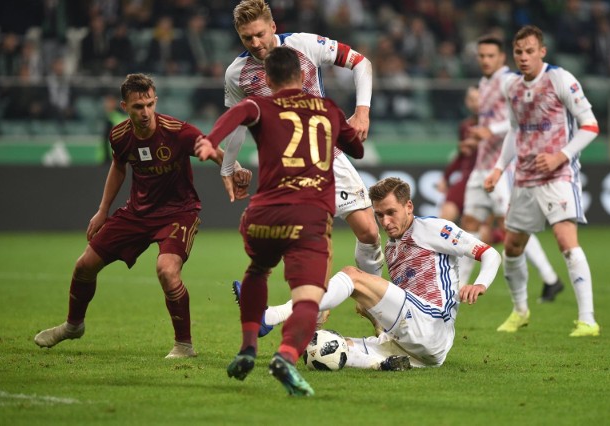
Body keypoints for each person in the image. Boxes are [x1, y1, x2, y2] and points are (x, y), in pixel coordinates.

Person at [33, 73, 251, 358]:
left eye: (149, 104)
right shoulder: (120, 135)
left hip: (178, 212)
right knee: (84, 265)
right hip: (137, 213)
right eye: (138, 106)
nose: (145, 112)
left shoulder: (177, 131)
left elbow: (212, 150)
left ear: (155, 100)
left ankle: (184, 345)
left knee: (167, 271)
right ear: (125, 106)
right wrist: (102, 211)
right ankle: (74, 326)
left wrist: (234, 169)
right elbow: (119, 167)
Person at [194, 46, 364, 396]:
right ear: (303, 77)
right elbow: (356, 148)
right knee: (307, 297)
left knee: (258, 270)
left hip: (264, 214)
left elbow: (237, 114)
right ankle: (285, 356)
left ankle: (247, 349)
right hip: (309, 216)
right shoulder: (328, 109)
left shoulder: (261, 104)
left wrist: (210, 142)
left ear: (268, 80)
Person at [240, 177, 501, 369]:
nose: (386, 222)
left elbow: (490, 254)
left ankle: (270, 316)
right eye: (379, 215)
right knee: (317, 345)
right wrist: (369, 311)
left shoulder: (434, 229)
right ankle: (383, 364)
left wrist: (480, 284)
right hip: (415, 346)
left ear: (408, 206)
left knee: (352, 276)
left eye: (391, 213)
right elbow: (385, 299)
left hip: (432, 324)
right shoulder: (391, 247)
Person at [221, 0, 384, 278]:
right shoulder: (237, 74)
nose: (256, 43)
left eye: (260, 34)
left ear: (273, 26)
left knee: (369, 231)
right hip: (287, 171)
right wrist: (228, 167)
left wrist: (362, 112)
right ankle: (312, 314)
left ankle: (374, 302)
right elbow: (238, 122)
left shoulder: (304, 45)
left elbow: (360, 62)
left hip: (327, 156)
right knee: (313, 246)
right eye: (247, 37)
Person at [484, 25, 601, 337]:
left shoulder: (560, 79)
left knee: (566, 242)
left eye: (529, 51)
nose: (523, 57)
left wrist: (561, 156)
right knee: (512, 247)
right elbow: (514, 130)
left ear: (542, 51)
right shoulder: (512, 88)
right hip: (524, 178)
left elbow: (590, 126)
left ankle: (587, 319)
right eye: (519, 52)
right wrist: (498, 169)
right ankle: (520, 311)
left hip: (558, 175)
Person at [457, 35, 564, 304]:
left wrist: (487, 130)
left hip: (501, 169)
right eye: (481, 56)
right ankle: (456, 289)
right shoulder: (484, 83)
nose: (485, 60)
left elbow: (519, 121)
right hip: (481, 165)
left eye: (490, 56)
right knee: (469, 224)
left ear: (502, 58)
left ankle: (551, 279)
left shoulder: (509, 81)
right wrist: (477, 138)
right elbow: (492, 123)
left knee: (513, 226)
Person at [437, 85, 480, 224]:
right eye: (471, 99)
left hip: (489, 180)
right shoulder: (465, 126)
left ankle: (497, 235)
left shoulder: (497, 126)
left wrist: (479, 144)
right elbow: (461, 156)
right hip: (467, 179)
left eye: (479, 99)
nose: (475, 104)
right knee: (443, 219)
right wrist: (446, 177)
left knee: (480, 229)